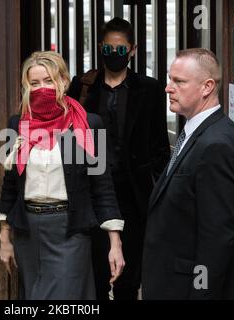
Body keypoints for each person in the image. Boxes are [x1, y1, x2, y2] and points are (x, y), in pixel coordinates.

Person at [0, 51, 125, 300]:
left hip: (70, 230)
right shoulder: (16, 124)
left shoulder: (88, 124)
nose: (42, 88)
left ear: (64, 81)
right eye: (34, 83)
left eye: (48, 80)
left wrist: (115, 243)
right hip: (27, 232)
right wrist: (4, 237)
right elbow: (9, 184)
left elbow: (102, 186)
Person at [67, 17, 170, 300]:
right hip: (94, 193)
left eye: (121, 50)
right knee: (98, 271)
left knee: (130, 274)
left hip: (134, 196)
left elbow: (160, 144)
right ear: (100, 48)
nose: (114, 55)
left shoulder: (149, 90)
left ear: (133, 50)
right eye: (109, 49)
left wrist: (154, 187)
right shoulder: (83, 87)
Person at [142, 48, 234, 300]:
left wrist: (200, 295)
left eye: (179, 81)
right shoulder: (196, 131)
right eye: (170, 79)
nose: (168, 88)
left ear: (207, 87)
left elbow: (216, 239)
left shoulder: (215, 144)